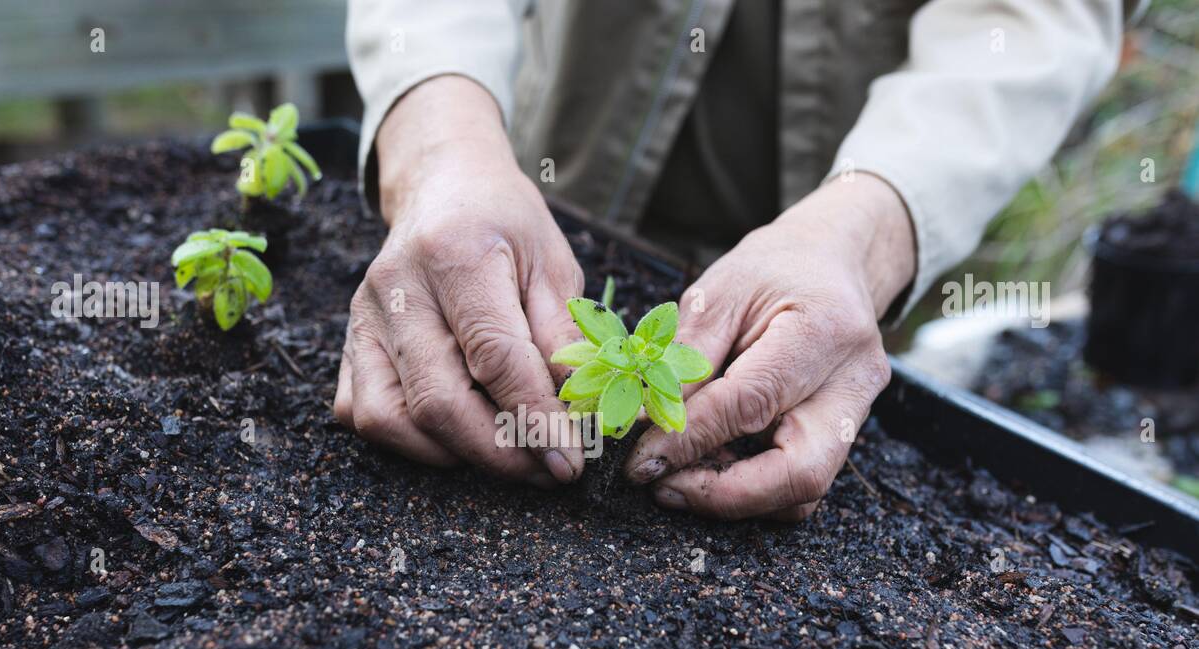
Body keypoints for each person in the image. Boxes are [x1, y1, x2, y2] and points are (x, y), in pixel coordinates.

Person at [335, 0, 1127, 520]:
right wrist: (438, 142)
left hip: (844, 221)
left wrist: (868, 231)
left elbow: (1031, 22)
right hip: (547, 190)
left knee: (808, 396)